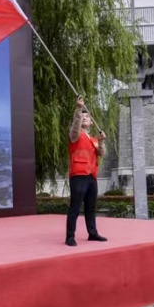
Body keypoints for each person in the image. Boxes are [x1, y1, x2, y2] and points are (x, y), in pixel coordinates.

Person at [65, 96, 108, 246]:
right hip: (78, 174)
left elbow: (102, 154)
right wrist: (78, 109)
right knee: (75, 206)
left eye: (87, 116)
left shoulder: (95, 140)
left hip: (91, 176)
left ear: (91, 122)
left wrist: (102, 141)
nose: (84, 118)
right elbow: (75, 126)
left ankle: (93, 233)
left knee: (91, 207)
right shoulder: (75, 135)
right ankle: (70, 236)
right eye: (82, 116)